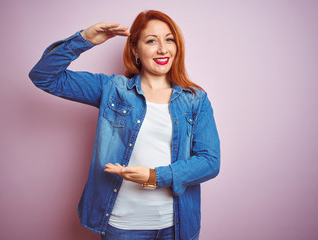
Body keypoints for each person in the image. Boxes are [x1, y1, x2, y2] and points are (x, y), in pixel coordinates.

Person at [29, 10, 220, 240]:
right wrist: (85, 38)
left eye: (169, 39)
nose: (162, 49)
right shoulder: (113, 89)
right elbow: (44, 76)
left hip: (177, 227)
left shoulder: (195, 99)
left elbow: (210, 162)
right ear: (135, 49)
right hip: (123, 227)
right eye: (151, 41)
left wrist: (154, 176)